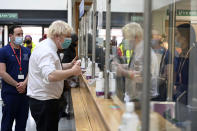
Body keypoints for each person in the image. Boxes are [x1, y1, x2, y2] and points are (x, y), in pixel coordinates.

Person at [27, 20, 82, 131]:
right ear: (57, 36)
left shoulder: (49, 47)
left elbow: (56, 68)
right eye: (67, 37)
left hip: (46, 100)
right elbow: (51, 75)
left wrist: (70, 65)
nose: (69, 40)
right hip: (44, 102)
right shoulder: (46, 50)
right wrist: (72, 72)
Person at [116, 22, 159, 102]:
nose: (124, 41)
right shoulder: (138, 50)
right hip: (135, 97)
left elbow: (140, 77)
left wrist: (122, 72)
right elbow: (136, 66)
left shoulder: (144, 52)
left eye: (126, 38)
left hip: (143, 100)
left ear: (135, 37)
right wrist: (124, 66)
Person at [0, 25, 31, 131]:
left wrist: (25, 83)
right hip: (9, 94)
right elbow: (2, 72)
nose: (21, 36)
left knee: (22, 124)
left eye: (22, 34)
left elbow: (31, 70)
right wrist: (17, 85)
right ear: (11, 36)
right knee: (7, 124)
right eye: (18, 34)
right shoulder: (3, 51)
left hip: (24, 94)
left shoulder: (27, 51)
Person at [173, 24, 197, 104]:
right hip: (182, 97)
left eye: (176, 34)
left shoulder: (194, 54)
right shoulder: (183, 53)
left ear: (184, 37)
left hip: (191, 99)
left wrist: (180, 87)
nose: (175, 38)